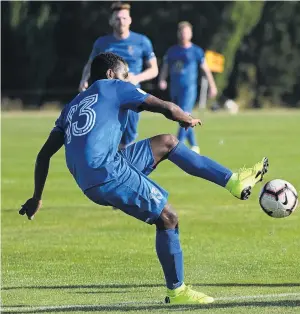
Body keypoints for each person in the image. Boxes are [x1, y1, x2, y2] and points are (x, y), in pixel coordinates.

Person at [19, 52, 269, 305]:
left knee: (167, 143)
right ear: (110, 74)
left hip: (94, 175)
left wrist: (36, 197)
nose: (129, 80)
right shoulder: (115, 87)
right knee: (168, 218)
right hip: (107, 173)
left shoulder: (72, 106)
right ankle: (177, 291)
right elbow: (163, 107)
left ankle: (233, 181)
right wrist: (185, 117)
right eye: (126, 75)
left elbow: (43, 155)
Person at [78, 2, 159, 149]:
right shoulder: (102, 43)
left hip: (131, 94)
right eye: (117, 18)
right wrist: (84, 80)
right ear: (111, 21)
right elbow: (91, 64)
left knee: (127, 142)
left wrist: (136, 78)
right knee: (103, 137)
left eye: (124, 18)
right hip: (106, 95)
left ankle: (124, 168)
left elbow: (154, 70)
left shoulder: (142, 41)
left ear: (130, 20)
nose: (121, 21)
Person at [158, 21, 218, 154]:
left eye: (186, 32)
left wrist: (212, 86)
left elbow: (206, 70)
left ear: (191, 34)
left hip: (189, 89)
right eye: (182, 32)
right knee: (181, 116)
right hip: (175, 88)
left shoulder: (196, 51)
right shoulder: (172, 51)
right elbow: (166, 67)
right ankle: (195, 145)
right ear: (178, 34)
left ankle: (176, 146)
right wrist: (162, 79)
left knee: (184, 113)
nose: (184, 35)